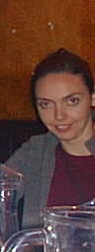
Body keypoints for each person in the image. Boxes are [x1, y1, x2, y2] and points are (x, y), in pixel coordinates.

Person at [6, 48, 95, 229]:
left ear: (92, 98)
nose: (59, 116)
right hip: (45, 249)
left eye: (72, 101)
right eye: (46, 104)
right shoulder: (37, 150)